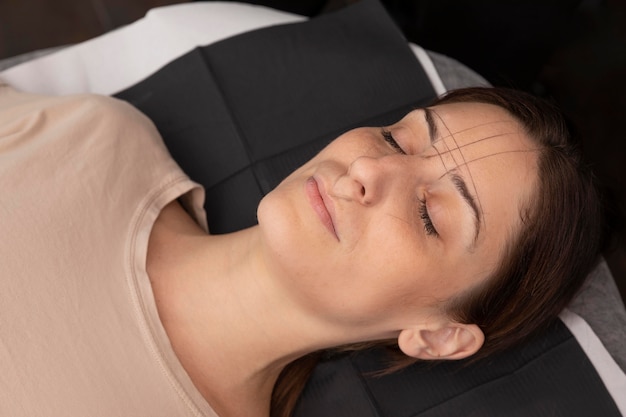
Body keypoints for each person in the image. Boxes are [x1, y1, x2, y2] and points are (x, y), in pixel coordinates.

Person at [0, 83, 604, 417]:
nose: (369, 166)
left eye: (429, 214)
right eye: (398, 137)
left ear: (440, 335)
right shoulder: (99, 141)